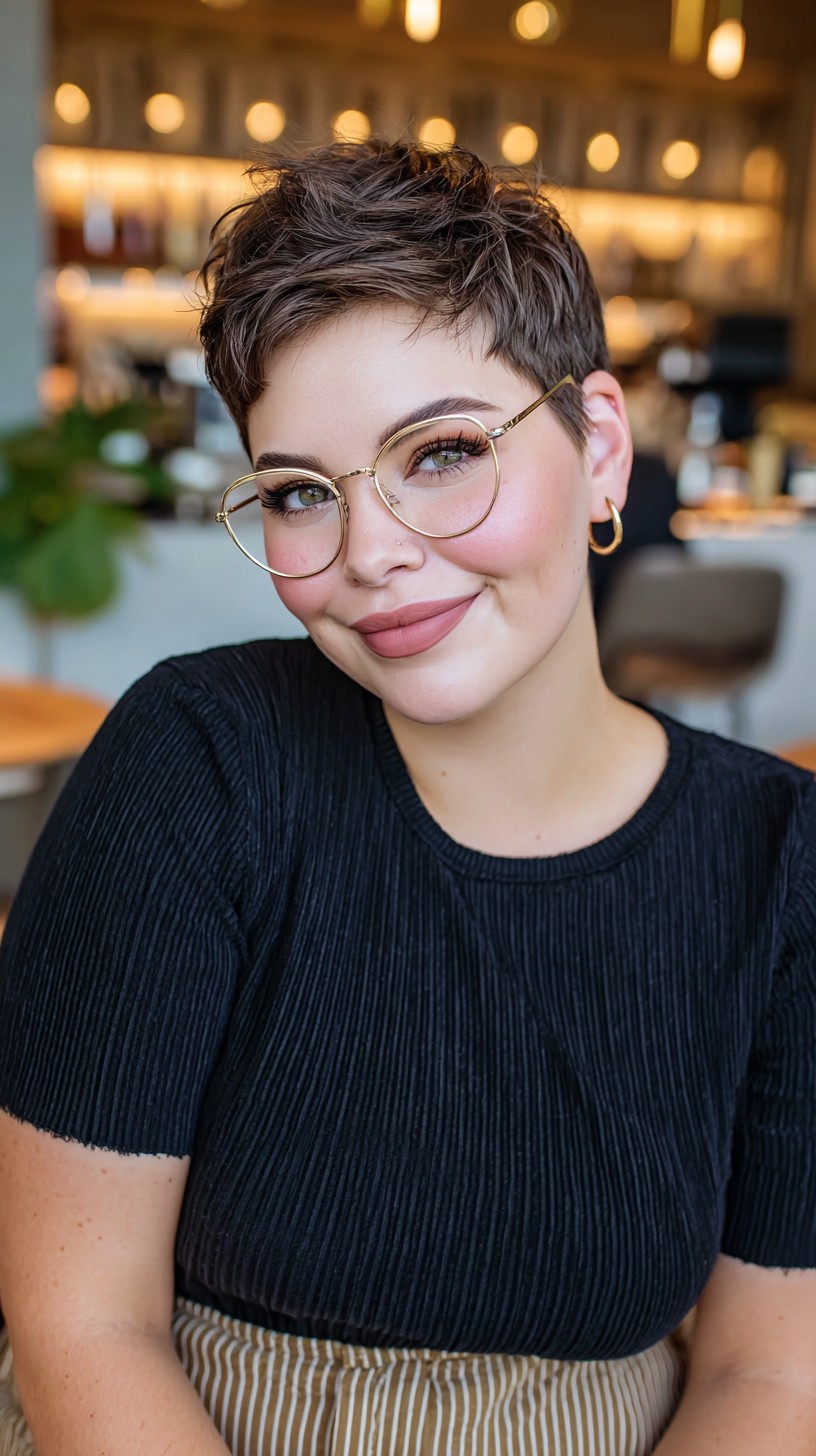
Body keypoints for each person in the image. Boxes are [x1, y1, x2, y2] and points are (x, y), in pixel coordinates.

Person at [0, 141, 814, 1456]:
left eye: (440, 453)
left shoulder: (780, 866)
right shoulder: (200, 766)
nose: (370, 555)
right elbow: (82, 1325)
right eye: (302, 493)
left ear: (598, 446)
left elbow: (770, 1381)